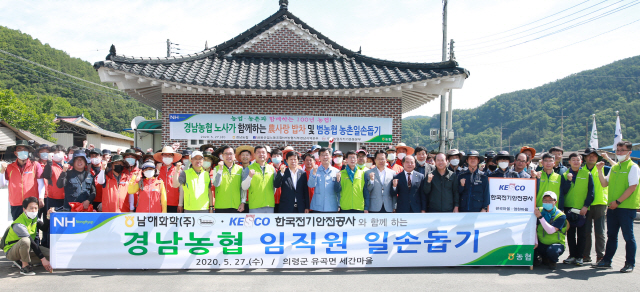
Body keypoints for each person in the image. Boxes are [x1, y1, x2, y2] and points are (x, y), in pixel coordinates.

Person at [593, 141, 639, 273]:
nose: (619, 153)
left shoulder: (633, 167)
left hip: (625, 207)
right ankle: (607, 261)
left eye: (622, 150)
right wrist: (600, 170)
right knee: (611, 235)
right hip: (613, 207)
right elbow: (604, 184)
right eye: (617, 150)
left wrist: (618, 202)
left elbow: (632, 187)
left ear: (629, 152)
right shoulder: (615, 167)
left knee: (628, 236)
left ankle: (630, 263)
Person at [560, 153, 594, 266]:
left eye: (577, 160)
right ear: (569, 162)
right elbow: (562, 192)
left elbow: (591, 192)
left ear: (581, 161)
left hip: (582, 208)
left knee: (582, 233)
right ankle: (572, 255)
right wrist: (568, 181)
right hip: (569, 207)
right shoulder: (564, 174)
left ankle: (580, 256)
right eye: (573, 160)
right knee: (570, 233)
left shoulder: (587, 173)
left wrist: (586, 206)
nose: (575, 162)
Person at [3, 197, 53, 276]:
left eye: (36, 208)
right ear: (24, 209)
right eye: (31, 208)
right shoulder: (19, 224)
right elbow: (32, 242)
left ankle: (21, 260)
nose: (33, 211)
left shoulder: (34, 218)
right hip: (12, 251)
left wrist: (48, 216)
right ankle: (25, 267)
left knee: (52, 256)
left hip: (28, 248)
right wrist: (43, 259)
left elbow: (44, 228)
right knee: (25, 240)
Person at [0, 140, 46, 220]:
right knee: (18, 228)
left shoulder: (35, 165)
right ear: (15, 153)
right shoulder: (9, 167)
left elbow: (41, 183)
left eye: (25, 149)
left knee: (33, 228)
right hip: (15, 203)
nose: (22, 151)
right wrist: (2, 172)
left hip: (31, 203)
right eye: (19, 149)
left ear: (28, 152)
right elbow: (2, 184)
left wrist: (41, 198)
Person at [581, 148, 609, 264]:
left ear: (598, 158)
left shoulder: (605, 169)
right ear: (585, 158)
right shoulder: (581, 170)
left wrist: (608, 158)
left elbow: (617, 167)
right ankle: (585, 255)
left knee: (600, 232)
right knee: (586, 232)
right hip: (585, 205)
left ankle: (600, 256)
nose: (591, 157)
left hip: (600, 204)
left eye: (594, 156)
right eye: (588, 156)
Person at [39, 145, 66, 247]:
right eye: (55, 152)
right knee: (51, 223)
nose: (58, 153)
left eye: (60, 151)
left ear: (64, 154)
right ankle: (48, 246)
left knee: (63, 224)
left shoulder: (68, 166)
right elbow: (46, 175)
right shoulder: (51, 165)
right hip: (53, 199)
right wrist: (49, 162)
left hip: (66, 200)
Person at [242, 145, 281, 213]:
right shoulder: (249, 168)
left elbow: (274, 187)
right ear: (254, 155)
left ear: (267, 155)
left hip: (269, 205)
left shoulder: (272, 168)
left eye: (263, 152)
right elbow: (244, 187)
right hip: (255, 205)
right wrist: (249, 177)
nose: (261, 154)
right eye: (258, 152)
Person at [535, 191, 568, 270]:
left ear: (555, 202)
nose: (547, 202)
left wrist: (540, 217)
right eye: (545, 200)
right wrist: (535, 242)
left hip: (556, 244)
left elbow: (550, 231)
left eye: (550, 200)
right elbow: (534, 228)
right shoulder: (538, 210)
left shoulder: (561, 215)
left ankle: (552, 261)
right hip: (541, 242)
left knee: (552, 251)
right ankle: (542, 258)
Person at [210, 145, 244, 213]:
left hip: (236, 206)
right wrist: (220, 170)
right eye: (226, 154)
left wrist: (243, 202)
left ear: (234, 155)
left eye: (231, 154)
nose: (228, 156)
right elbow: (216, 184)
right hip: (221, 206)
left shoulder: (240, 169)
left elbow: (242, 188)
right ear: (222, 155)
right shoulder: (216, 168)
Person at [308, 147, 341, 213]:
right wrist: (314, 173)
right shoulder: (314, 170)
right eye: (322, 155)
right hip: (317, 206)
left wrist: (339, 205)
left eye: (326, 154)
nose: (325, 157)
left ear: (330, 156)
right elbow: (311, 185)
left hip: (332, 206)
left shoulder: (337, 171)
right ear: (319, 157)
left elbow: (339, 191)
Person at [155, 146, 182, 213]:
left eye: (169, 155)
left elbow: (181, 188)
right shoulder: (157, 169)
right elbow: (153, 183)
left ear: (173, 158)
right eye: (165, 155)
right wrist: (157, 171)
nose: (167, 157)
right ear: (161, 157)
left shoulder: (178, 169)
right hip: (159, 202)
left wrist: (180, 204)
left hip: (174, 203)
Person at [269, 148, 284, 213]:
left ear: (281, 158)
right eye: (274, 156)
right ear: (271, 158)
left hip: (282, 199)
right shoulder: (268, 168)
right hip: (271, 199)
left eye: (278, 156)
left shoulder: (285, 168)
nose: (276, 158)